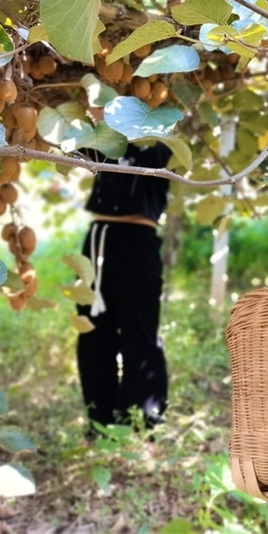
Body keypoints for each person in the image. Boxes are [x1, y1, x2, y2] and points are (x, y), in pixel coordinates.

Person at [76, 141, 172, 435]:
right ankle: (100, 420)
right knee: (93, 332)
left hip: (139, 240)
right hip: (99, 239)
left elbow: (161, 150)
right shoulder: (107, 133)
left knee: (141, 333)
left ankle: (142, 421)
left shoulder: (163, 132)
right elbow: (78, 143)